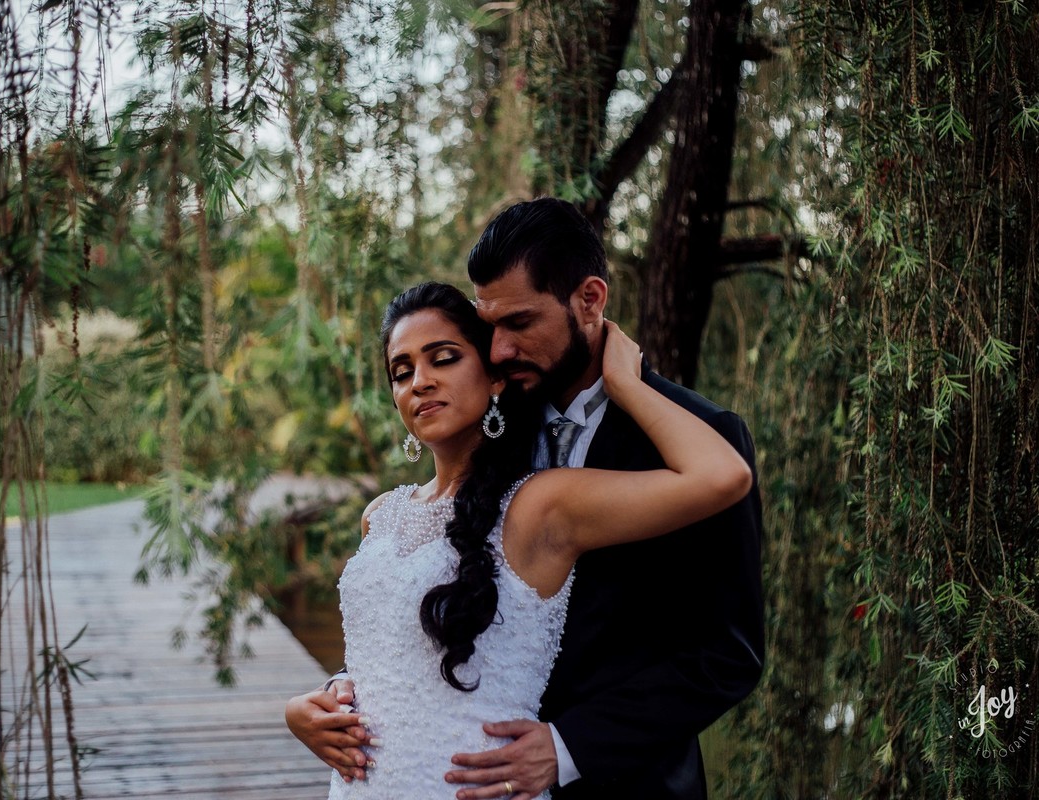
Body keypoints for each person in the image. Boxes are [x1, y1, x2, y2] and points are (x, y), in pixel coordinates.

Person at [287, 278, 753, 800]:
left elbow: (721, 477)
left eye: (443, 359)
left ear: (494, 378)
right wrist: (319, 702)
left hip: (473, 787)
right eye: (402, 370)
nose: (419, 381)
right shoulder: (381, 516)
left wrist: (626, 384)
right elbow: (395, 655)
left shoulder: (538, 508)